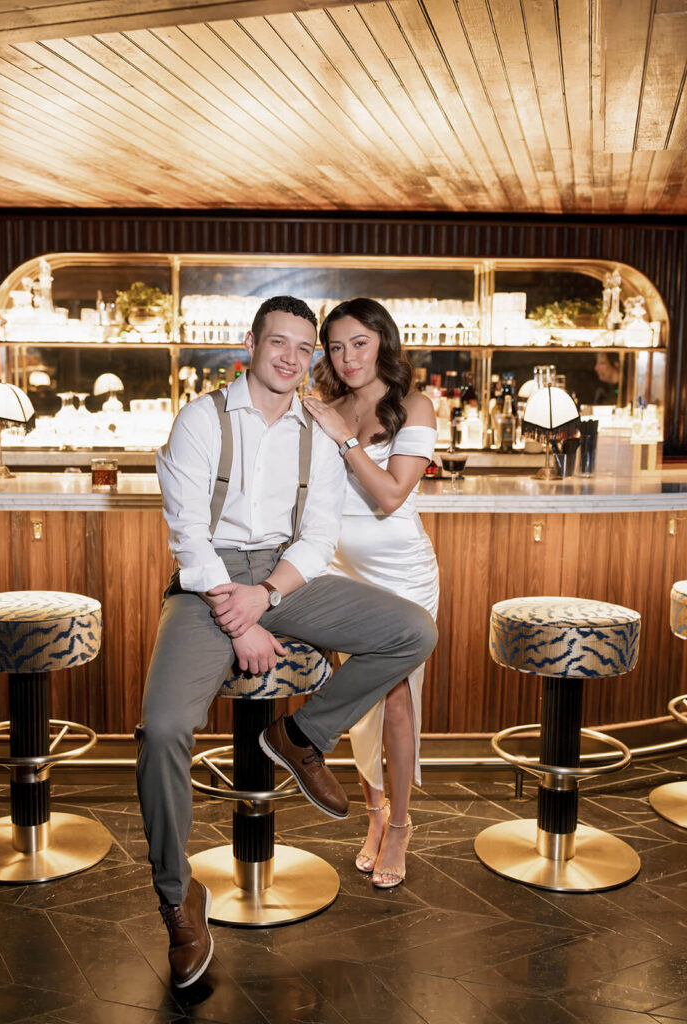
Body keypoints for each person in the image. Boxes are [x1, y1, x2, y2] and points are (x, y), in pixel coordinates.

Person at [137, 295, 438, 991]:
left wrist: (269, 596)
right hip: (207, 581)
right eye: (282, 344)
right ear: (251, 342)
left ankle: (302, 735)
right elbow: (187, 534)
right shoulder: (201, 418)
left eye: (308, 350)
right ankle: (177, 897)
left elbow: (317, 535)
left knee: (411, 631)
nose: (294, 359)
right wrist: (238, 616)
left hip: (286, 575)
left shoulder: (317, 426)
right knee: (162, 728)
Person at [302, 297, 439, 889]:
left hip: (403, 573)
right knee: (360, 707)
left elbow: (389, 496)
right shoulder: (325, 407)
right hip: (339, 571)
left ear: (382, 340)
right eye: (335, 346)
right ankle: (375, 816)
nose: (347, 356)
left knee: (399, 700)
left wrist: (341, 437)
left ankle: (401, 825)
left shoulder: (413, 405)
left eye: (359, 342)